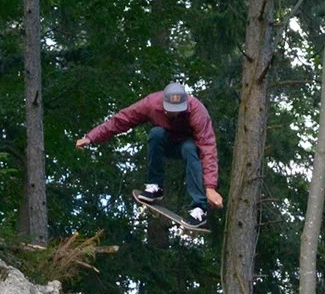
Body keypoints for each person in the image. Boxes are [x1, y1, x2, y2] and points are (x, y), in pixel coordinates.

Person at [75, 79, 225, 225]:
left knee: (189, 147)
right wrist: (91, 137)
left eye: (178, 111)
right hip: (166, 143)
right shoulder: (151, 103)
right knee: (156, 133)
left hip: (188, 147)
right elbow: (122, 120)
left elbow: (208, 148)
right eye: (171, 111)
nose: (174, 114)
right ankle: (155, 186)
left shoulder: (197, 111)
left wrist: (210, 187)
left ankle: (199, 208)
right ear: (164, 105)